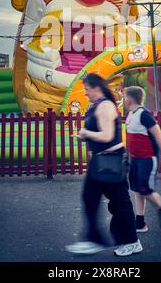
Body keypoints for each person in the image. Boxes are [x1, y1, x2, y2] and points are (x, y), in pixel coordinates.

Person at [66, 73, 143, 257]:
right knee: (95, 198)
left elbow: (107, 136)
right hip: (103, 160)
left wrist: (86, 134)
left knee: (118, 203)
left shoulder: (106, 106)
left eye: (86, 89)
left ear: (95, 88)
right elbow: (101, 134)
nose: (85, 93)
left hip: (111, 160)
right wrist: (84, 136)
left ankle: (129, 241)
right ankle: (95, 239)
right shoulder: (99, 105)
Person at [124, 86, 161, 231]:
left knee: (144, 189)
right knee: (136, 190)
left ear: (129, 99)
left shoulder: (144, 114)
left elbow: (158, 134)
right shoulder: (131, 114)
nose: (123, 99)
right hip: (135, 159)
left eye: (124, 96)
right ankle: (140, 222)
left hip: (147, 159)